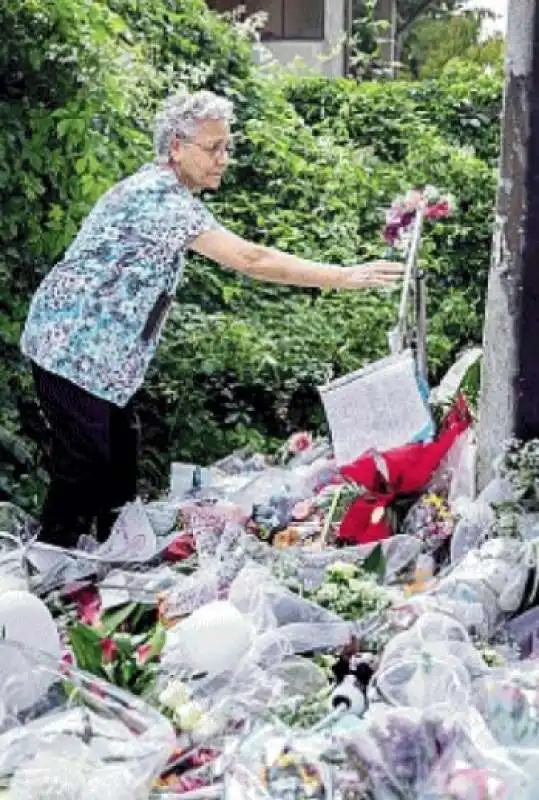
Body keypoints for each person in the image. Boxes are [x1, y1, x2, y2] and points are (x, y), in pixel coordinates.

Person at [20, 89, 404, 549]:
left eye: (227, 146)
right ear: (177, 148)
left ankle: (105, 562)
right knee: (84, 470)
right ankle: (49, 569)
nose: (223, 159)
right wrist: (344, 277)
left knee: (119, 469)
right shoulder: (158, 198)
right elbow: (252, 259)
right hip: (70, 349)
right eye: (212, 148)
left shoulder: (171, 195)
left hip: (101, 364)